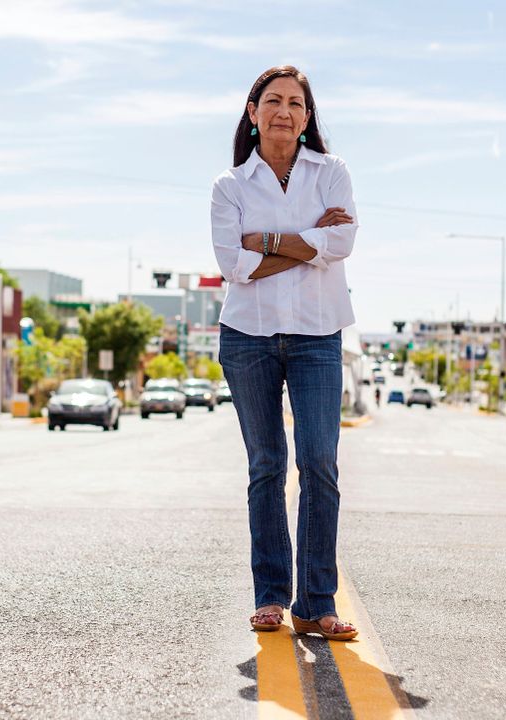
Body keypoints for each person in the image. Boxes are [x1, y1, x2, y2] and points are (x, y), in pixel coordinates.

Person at [211, 65, 358, 642]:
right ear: (253, 112)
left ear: (307, 116)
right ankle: (272, 595)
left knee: (318, 461)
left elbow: (342, 241)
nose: (285, 111)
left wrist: (267, 241)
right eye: (273, 101)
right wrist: (308, 242)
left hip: (318, 334)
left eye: (296, 103)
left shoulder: (332, 172)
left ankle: (316, 602)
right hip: (246, 336)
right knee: (266, 465)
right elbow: (233, 267)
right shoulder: (229, 186)